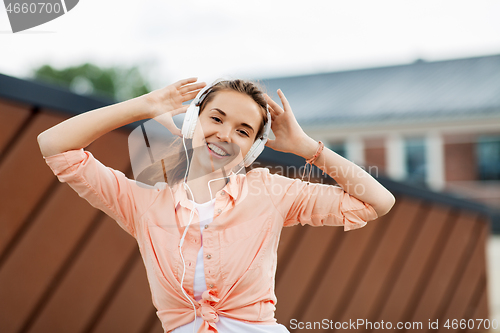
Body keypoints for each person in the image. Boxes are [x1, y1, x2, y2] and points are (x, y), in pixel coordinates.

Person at [37, 77, 396, 333]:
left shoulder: (270, 192)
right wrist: (143, 106)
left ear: (253, 148)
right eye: (216, 118)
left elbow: (377, 202)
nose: (225, 135)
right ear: (194, 121)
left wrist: (306, 147)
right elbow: (55, 146)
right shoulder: (143, 202)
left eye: (242, 131)